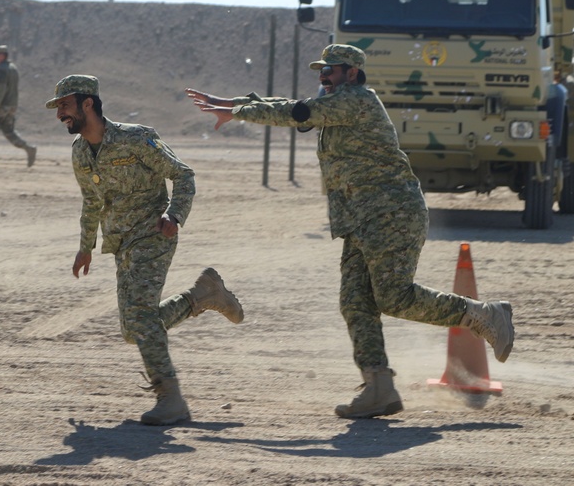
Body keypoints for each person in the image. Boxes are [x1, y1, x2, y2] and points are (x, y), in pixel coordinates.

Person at [186, 44, 515, 419]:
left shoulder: (357, 100)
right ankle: (379, 386)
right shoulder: (335, 105)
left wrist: (240, 111)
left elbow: (299, 112)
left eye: (331, 70)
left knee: (393, 297)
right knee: (356, 302)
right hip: (361, 219)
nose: (323, 76)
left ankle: (482, 315)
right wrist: (234, 102)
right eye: (321, 71)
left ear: (353, 73)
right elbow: (298, 106)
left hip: (391, 213)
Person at [46, 74, 245, 425]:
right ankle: (202, 295)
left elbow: (183, 175)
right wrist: (85, 247)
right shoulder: (80, 151)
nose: (60, 113)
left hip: (154, 235)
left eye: (64, 105)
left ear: (87, 103)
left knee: (140, 317)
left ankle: (171, 399)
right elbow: (91, 202)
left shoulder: (136, 138)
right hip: (121, 243)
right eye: (58, 107)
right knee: (133, 329)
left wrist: (174, 214)